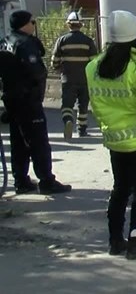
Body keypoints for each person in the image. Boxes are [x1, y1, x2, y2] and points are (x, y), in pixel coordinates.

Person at [86, 10, 136, 259]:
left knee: (120, 189)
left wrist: (109, 131)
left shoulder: (94, 66)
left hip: (115, 141)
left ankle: (114, 240)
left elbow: (97, 106)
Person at [0, 10, 71, 194]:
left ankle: (21, 180)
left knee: (19, 142)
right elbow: (36, 72)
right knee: (39, 142)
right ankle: (47, 181)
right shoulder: (25, 44)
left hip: (12, 100)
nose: (34, 25)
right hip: (28, 101)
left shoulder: (5, 41)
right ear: (25, 24)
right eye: (33, 22)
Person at [50, 11, 98, 138]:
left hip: (68, 78)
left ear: (68, 25)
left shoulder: (62, 40)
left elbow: (54, 60)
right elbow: (94, 62)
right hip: (85, 79)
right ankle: (82, 130)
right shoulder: (88, 41)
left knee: (67, 104)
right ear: (81, 25)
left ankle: (68, 121)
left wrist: (59, 68)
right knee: (83, 105)